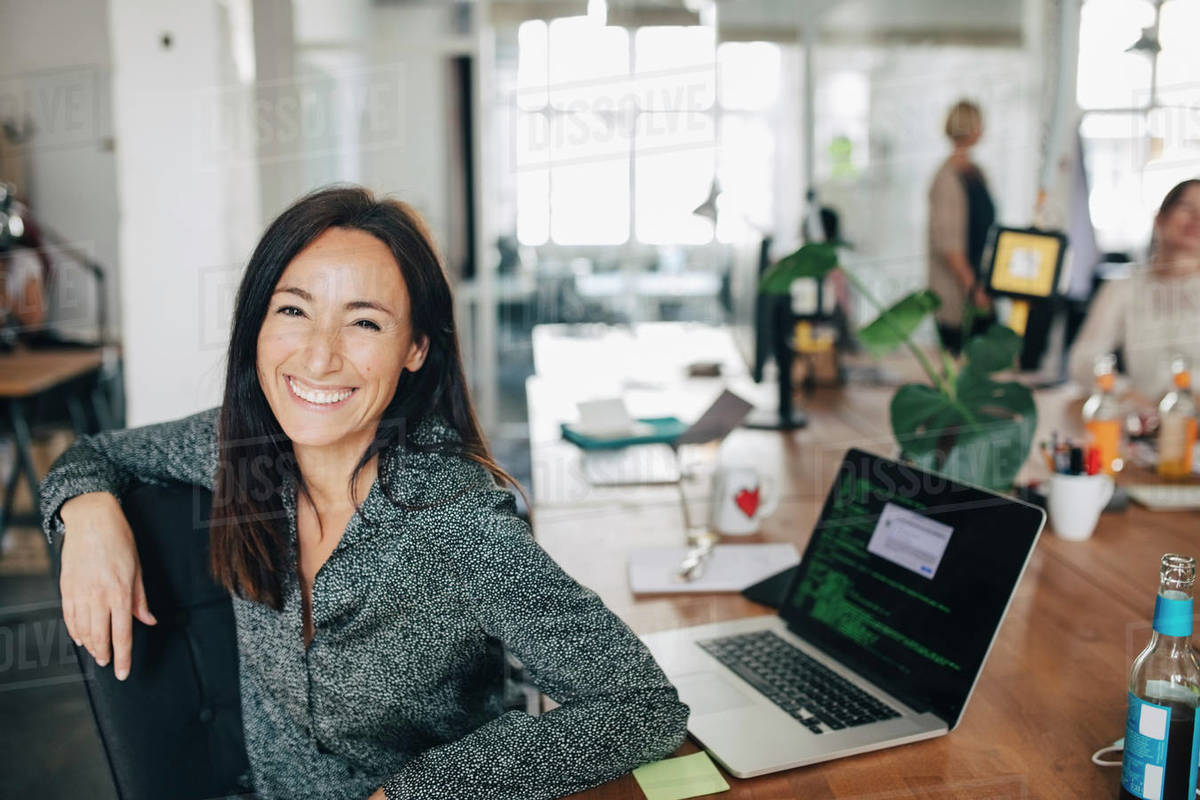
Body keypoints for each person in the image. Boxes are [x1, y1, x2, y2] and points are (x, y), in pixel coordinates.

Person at [40, 186, 688, 800]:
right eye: (293, 310)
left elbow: (640, 707)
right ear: (256, 326)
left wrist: (420, 791)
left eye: (364, 323)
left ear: (414, 349)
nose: (319, 357)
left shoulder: (456, 517)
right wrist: (89, 515)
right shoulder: (239, 448)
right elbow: (93, 454)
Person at [1068, 179, 1200, 400]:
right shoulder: (1124, 288)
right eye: (1186, 207)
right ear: (1160, 218)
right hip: (1144, 420)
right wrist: (1124, 392)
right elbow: (1082, 362)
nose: (1197, 218)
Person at [927, 100, 996, 355]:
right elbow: (950, 245)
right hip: (961, 293)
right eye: (980, 122)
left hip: (981, 285)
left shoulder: (976, 172)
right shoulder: (947, 179)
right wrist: (973, 289)